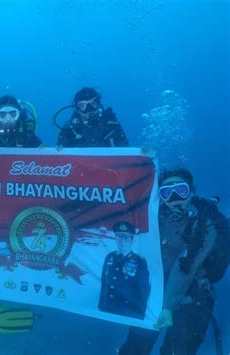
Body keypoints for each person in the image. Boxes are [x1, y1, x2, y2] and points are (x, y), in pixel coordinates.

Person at [119, 168, 219, 355]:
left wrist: (168, 307)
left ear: (191, 191)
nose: (175, 199)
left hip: (193, 292)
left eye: (181, 191)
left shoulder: (204, 224)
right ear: (160, 197)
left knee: (180, 348)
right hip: (156, 289)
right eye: (167, 193)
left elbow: (186, 267)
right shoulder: (151, 217)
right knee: (136, 345)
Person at [98, 222, 150, 320]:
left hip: (126, 312)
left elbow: (143, 290)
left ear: (132, 240)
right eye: (118, 237)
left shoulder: (139, 261)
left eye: (126, 238)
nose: (122, 240)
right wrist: (101, 305)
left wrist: (139, 314)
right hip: (106, 308)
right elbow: (103, 283)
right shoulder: (109, 257)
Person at [57, 87, 128, 148]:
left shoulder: (112, 126)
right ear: (78, 110)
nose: (89, 109)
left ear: (99, 104)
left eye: (93, 103)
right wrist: (46, 151)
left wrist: (138, 153)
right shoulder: (70, 128)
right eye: (83, 106)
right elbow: (59, 155)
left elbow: (126, 151)